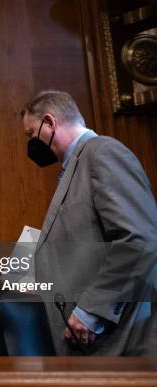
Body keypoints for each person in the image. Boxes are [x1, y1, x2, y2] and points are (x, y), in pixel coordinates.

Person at [21, 90, 157, 355]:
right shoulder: (77, 164)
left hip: (123, 342)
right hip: (97, 344)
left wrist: (92, 310)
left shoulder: (103, 152)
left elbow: (139, 239)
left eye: (30, 134)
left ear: (49, 123)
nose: (30, 143)